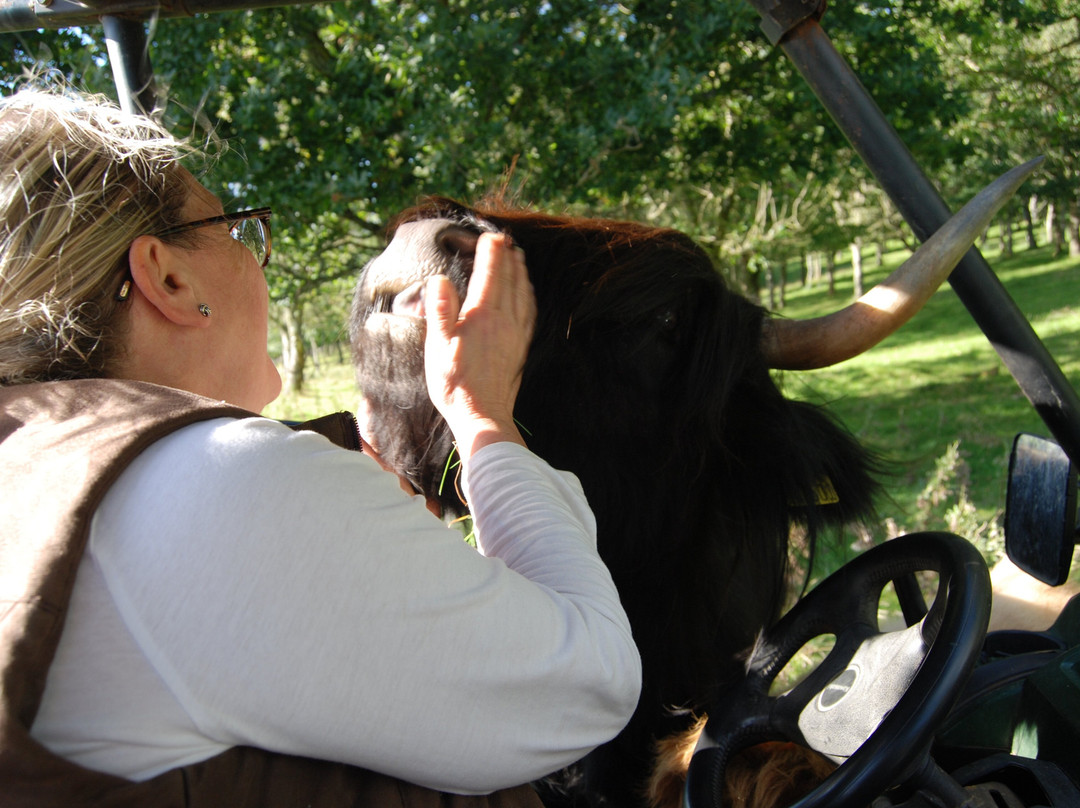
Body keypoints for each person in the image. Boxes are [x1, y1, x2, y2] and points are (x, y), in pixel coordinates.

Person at [0, 84, 641, 806]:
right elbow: (588, 685)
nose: (258, 262)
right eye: (236, 231)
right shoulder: (207, 485)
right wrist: (483, 414)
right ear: (170, 279)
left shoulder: (32, 464)